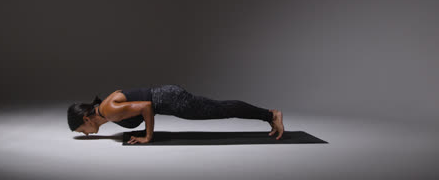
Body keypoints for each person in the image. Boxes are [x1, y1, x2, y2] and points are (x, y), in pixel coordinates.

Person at [67, 84, 284, 144]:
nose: (86, 134)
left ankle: (270, 115)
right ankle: (269, 115)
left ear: (86, 119)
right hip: (169, 96)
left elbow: (146, 107)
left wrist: (148, 137)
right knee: (221, 108)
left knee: (222, 109)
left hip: (172, 100)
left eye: (82, 131)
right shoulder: (106, 109)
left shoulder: (109, 111)